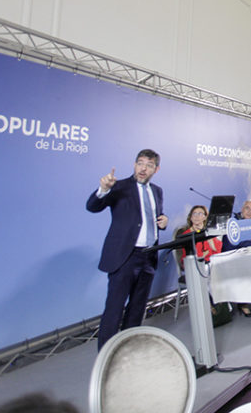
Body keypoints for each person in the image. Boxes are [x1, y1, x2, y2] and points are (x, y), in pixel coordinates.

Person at [86, 149, 168, 350]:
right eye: (140, 163)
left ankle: (128, 352)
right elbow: (92, 206)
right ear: (134, 165)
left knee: (137, 310)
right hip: (125, 258)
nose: (143, 168)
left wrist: (163, 221)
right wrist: (103, 189)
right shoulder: (119, 187)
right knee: (114, 310)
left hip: (148, 256)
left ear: (156, 169)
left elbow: (150, 218)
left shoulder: (157, 191)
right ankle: (106, 357)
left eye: (149, 165)